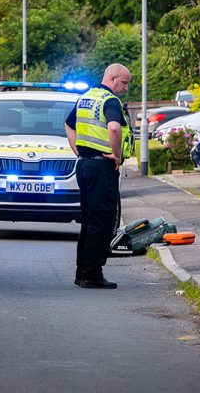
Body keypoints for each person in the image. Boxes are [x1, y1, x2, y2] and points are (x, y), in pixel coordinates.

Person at [65, 63, 134, 289]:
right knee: (102, 221)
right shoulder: (109, 101)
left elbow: (68, 124)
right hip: (102, 167)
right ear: (112, 79)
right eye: (124, 82)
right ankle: (92, 274)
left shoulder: (86, 98)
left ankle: (82, 272)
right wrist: (116, 155)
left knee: (89, 220)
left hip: (84, 165)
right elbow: (114, 128)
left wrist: (78, 150)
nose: (125, 87)